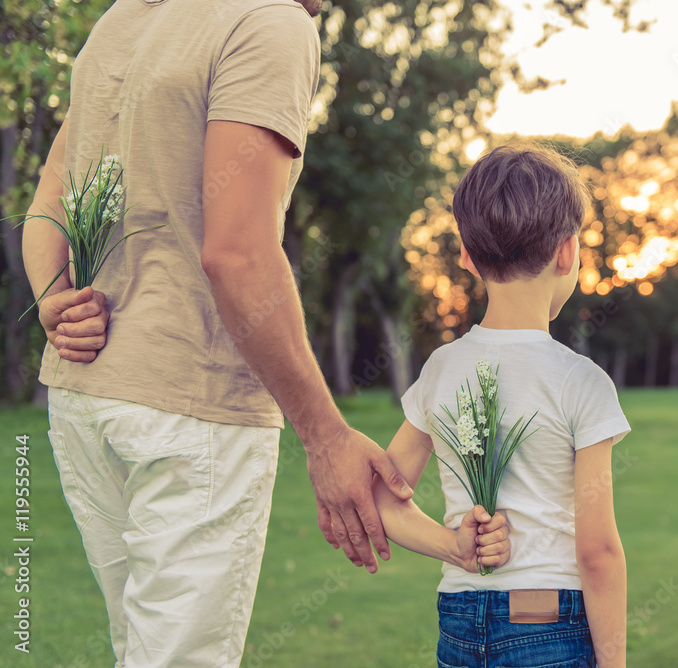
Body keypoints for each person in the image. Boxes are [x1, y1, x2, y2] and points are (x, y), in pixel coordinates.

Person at [22, 1, 413, 666]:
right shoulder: (270, 23)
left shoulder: (125, 16)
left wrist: (54, 299)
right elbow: (236, 254)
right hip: (190, 409)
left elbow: (51, 195)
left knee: (141, 650)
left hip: (87, 403)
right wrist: (323, 435)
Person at [371, 143, 631, 668]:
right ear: (566, 251)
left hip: (461, 617)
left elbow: (383, 498)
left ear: (467, 255)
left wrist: (453, 545)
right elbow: (597, 551)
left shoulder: (441, 369)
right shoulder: (581, 381)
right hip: (548, 621)